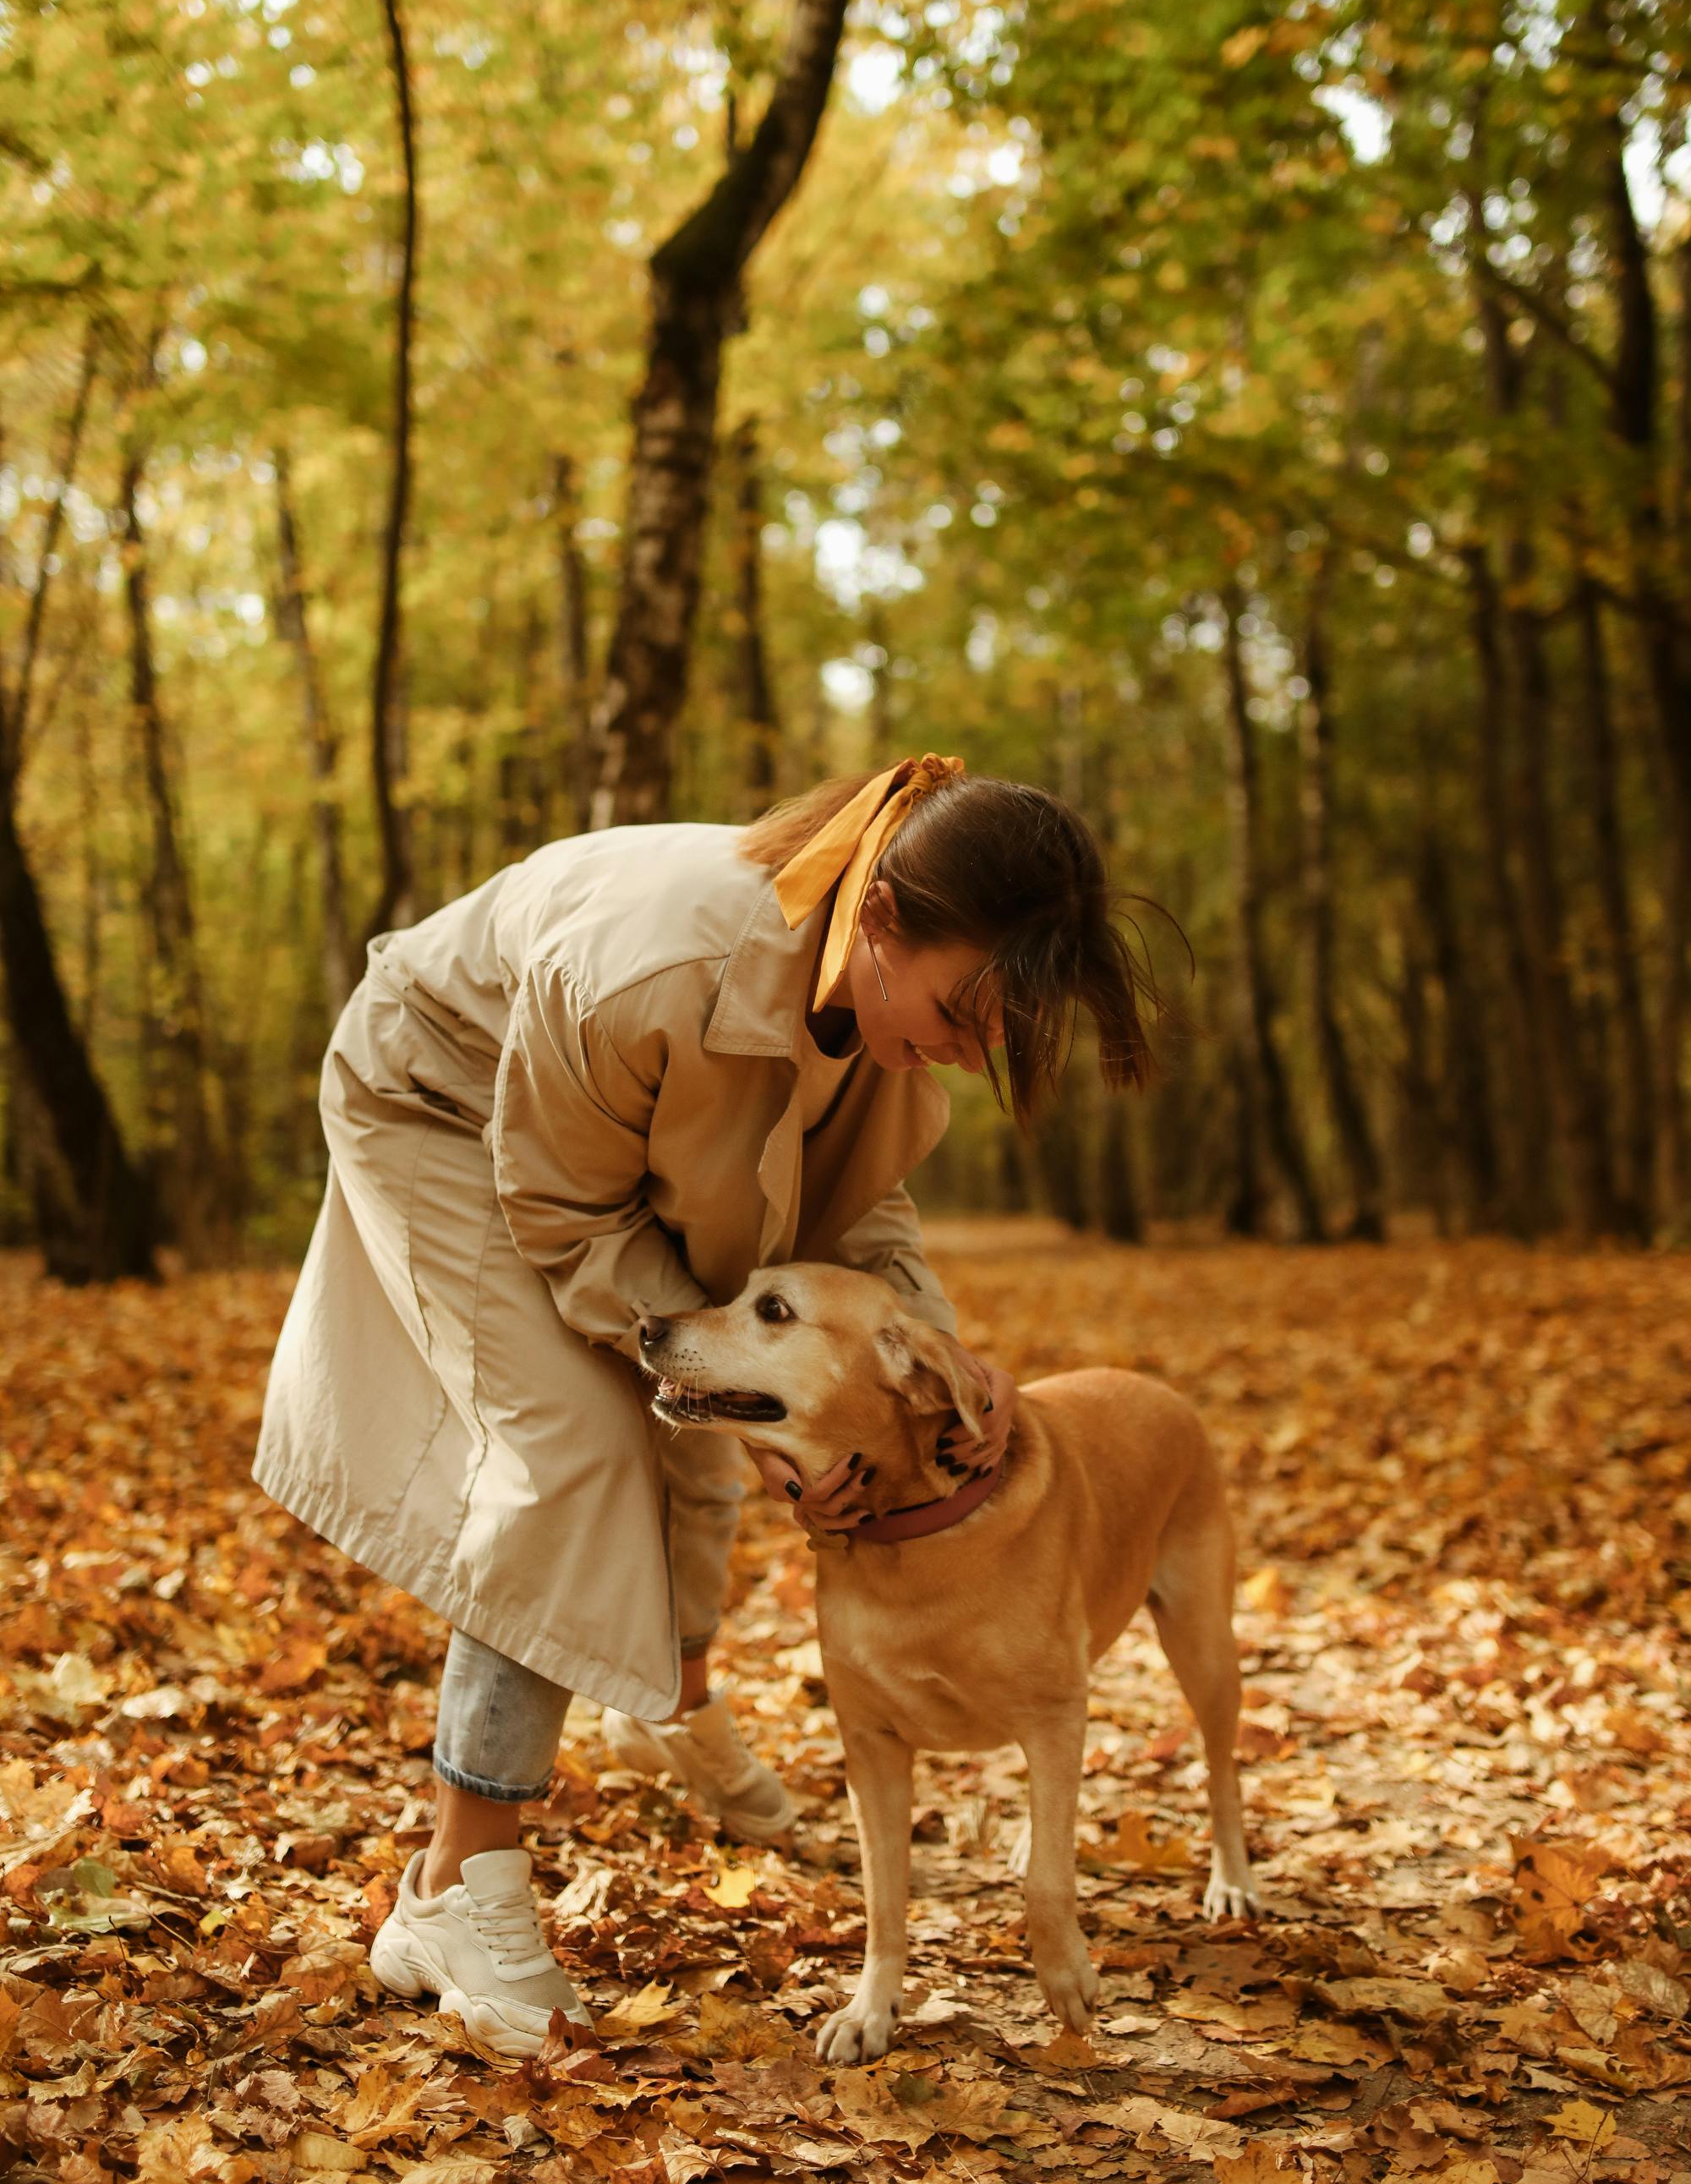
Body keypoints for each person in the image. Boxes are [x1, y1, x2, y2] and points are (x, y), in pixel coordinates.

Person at [252, 754, 1163, 2056]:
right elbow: (568, 1220)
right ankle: (456, 1886)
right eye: (970, 1007)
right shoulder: (655, 969)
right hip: (444, 1108)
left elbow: (857, 1221)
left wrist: (940, 1373)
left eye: (1004, 1027)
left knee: (685, 1411)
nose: (976, 1049)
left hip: (588, 1144)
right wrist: (752, 1413)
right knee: (578, 1445)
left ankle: (663, 1695)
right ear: (887, 918)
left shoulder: (879, 1004)